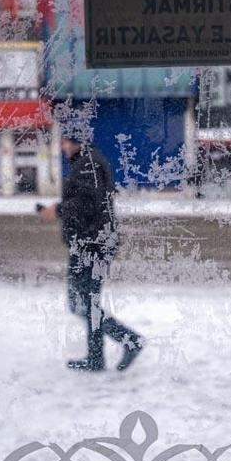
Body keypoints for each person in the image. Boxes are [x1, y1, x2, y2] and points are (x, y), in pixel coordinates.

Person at [39, 131, 143, 372]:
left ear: (75, 142)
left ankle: (130, 342)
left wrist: (58, 211)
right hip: (89, 242)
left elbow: (88, 203)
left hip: (93, 245)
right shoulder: (87, 162)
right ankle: (96, 358)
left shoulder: (89, 164)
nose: (62, 147)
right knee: (84, 303)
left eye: (64, 142)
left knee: (83, 303)